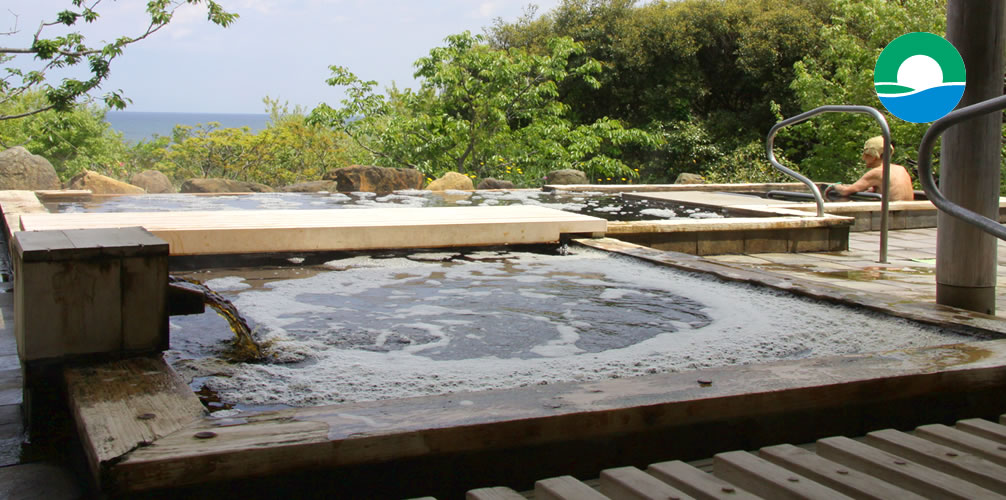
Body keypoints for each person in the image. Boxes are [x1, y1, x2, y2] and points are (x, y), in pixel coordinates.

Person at [824, 136, 914, 201]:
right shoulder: (901, 169)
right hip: (910, 214)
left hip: (891, 215)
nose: (863, 158)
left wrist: (834, 186)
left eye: (866, 154)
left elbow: (845, 191)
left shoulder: (878, 172)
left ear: (874, 156)